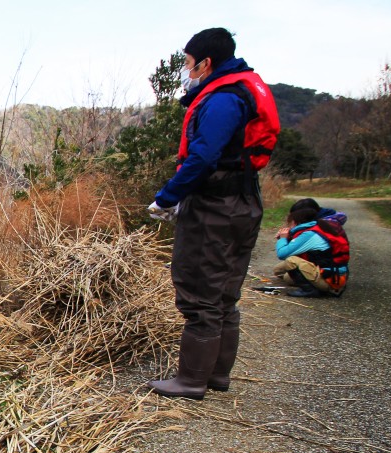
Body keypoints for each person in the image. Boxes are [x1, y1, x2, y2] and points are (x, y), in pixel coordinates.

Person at [146, 28, 280, 400]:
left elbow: (203, 157)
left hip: (215, 207)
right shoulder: (244, 89)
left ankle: (190, 380)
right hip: (243, 201)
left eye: (189, 64)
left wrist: (168, 197)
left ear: (206, 62)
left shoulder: (222, 99)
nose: (188, 71)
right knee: (224, 293)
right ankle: (216, 375)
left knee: (199, 290)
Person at [272, 198, 350, 297]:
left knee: (291, 261)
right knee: (280, 271)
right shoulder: (319, 226)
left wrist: (282, 239)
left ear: (296, 221)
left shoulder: (310, 234)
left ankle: (310, 290)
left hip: (331, 279)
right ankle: (314, 283)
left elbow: (282, 253)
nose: (289, 225)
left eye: (290, 222)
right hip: (334, 273)